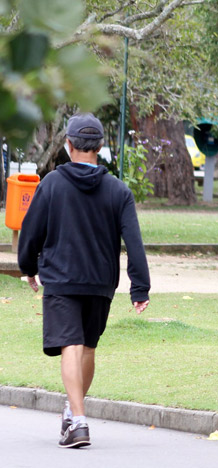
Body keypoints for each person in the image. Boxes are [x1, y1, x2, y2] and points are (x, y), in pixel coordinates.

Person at [17, 113, 151, 448]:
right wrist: (140, 287)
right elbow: (134, 242)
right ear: (101, 146)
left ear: (69, 145)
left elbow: (31, 232)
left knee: (71, 346)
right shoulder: (118, 190)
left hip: (61, 281)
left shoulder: (51, 184)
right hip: (100, 284)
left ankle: (78, 422)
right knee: (87, 347)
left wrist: (27, 266)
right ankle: (72, 409)